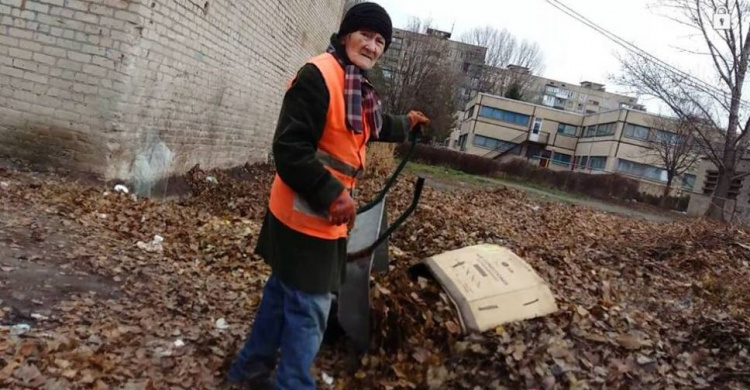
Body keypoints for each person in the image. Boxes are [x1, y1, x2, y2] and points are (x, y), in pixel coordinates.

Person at [226, 2, 430, 389]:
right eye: (366, 35)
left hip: (311, 215)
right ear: (346, 34)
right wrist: (332, 193)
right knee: (311, 308)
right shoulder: (318, 76)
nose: (372, 46)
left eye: (380, 40)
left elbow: (371, 125)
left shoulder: (352, 82)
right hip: (307, 215)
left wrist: (408, 125)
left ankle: (248, 371)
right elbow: (288, 149)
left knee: (281, 295)